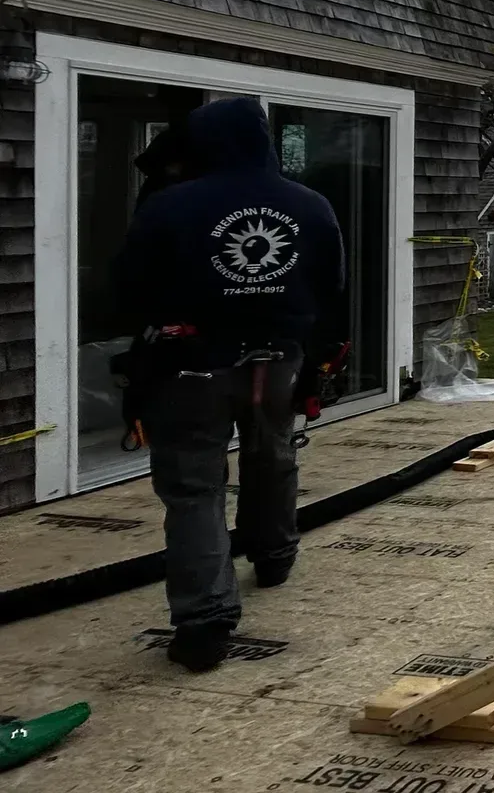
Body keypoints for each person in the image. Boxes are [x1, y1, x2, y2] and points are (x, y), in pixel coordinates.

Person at [114, 97, 346, 672]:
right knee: (272, 454)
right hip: (278, 361)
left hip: (191, 366)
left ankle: (205, 623)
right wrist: (318, 359)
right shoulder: (311, 205)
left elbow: (127, 291)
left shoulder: (169, 205)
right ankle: (274, 554)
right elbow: (332, 288)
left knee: (195, 487)